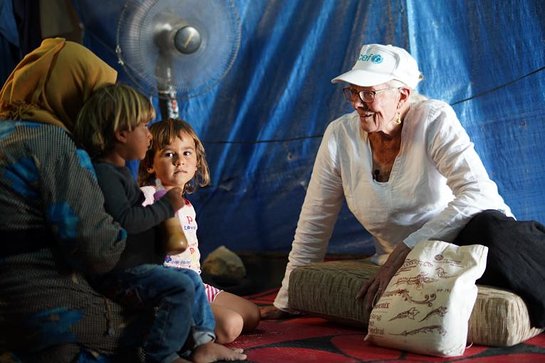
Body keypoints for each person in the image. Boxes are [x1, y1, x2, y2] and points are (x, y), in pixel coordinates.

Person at [261, 43, 545, 329]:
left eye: (369, 93)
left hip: (464, 242)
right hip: (416, 265)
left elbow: (481, 193)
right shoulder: (339, 136)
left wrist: (406, 248)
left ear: (402, 95)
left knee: (491, 226)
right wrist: (287, 300)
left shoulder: (433, 119)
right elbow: (314, 222)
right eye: (352, 91)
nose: (357, 102)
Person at [73, 84, 247, 363]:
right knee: (181, 287)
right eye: (143, 126)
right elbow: (127, 220)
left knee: (190, 280)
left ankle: (204, 342)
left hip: (144, 267)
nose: (148, 133)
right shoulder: (107, 175)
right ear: (121, 134)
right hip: (123, 272)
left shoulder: (118, 174)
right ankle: (162, 355)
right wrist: (165, 207)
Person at [0, 38, 130, 361]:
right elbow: (98, 251)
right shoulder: (55, 143)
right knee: (162, 325)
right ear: (77, 97)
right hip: (44, 311)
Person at [138, 118, 261, 344]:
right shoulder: (147, 195)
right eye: (168, 154)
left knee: (252, 314)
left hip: (196, 284)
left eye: (187, 153)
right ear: (149, 164)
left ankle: (198, 317)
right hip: (169, 290)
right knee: (231, 325)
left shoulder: (187, 205)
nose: (179, 161)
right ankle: (170, 329)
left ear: (196, 162)